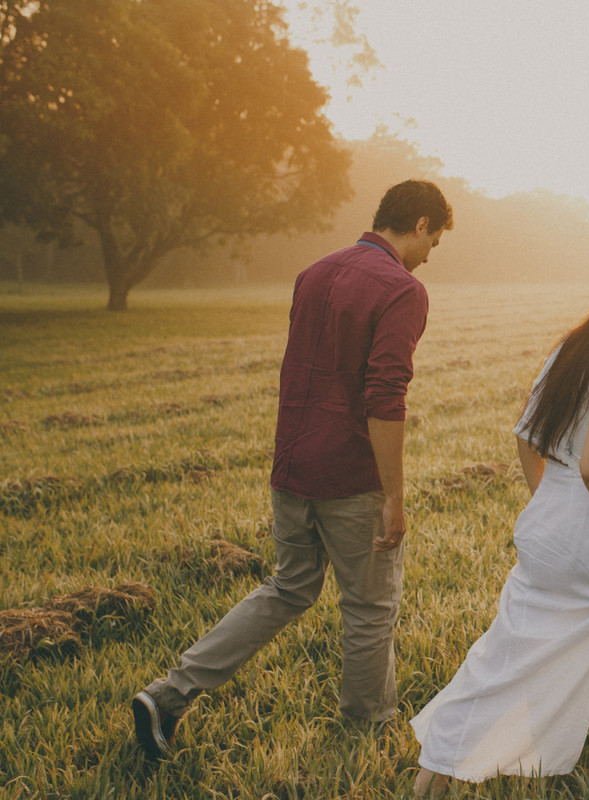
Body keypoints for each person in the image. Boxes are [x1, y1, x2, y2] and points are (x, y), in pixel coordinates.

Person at [132, 180, 453, 760]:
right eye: (436, 240)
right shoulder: (402, 289)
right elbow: (386, 393)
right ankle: (366, 732)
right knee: (370, 607)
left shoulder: (315, 272)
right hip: (349, 475)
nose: (432, 255)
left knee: (288, 586)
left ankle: (170, 693)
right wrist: (394, 497)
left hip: (291, 464)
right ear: (422, 223)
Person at [410, 245, 589, 796]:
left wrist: (550, 504)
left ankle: (435, 776)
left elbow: (527, 436)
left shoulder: (577, 345)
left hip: (550, 523)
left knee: (520, 651)